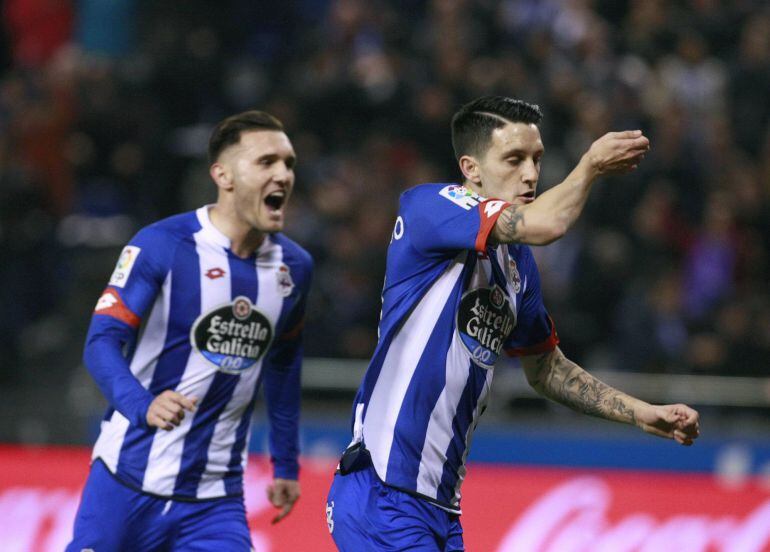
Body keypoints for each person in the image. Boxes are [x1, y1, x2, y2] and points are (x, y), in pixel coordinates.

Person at [325, 96, 700, 551]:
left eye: (537, 159)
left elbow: (547, 370)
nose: (530, 174)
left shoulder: (516, 264)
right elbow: (547, 223)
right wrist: (590, 167)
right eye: (514, 159)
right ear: (471, 168)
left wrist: (641, 412)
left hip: (440, 508)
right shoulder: (429, 207)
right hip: (384, 492)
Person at [67, 110, 313, 551]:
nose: (283, 175)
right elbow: (101, 341)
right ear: (223, 175)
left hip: (214, 500)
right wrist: (143, 404)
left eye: (288, 163)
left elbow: (283, 366)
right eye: (266, 162)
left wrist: (286, 463)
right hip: (126, 481)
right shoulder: (162, 244)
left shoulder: (294, 267)